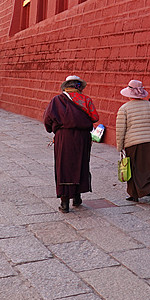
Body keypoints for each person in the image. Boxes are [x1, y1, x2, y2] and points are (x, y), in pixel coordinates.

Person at [43, 75, 99, 213]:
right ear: (78, 87)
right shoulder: (86, 100)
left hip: (64, 137)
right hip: (82, 137)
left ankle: (64, 203)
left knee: (64, 166)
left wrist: (53, 129)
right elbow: (95, 117)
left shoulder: (57, 100)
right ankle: (77, 197)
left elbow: (47, 119)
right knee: (80, 164)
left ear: (65, 86)